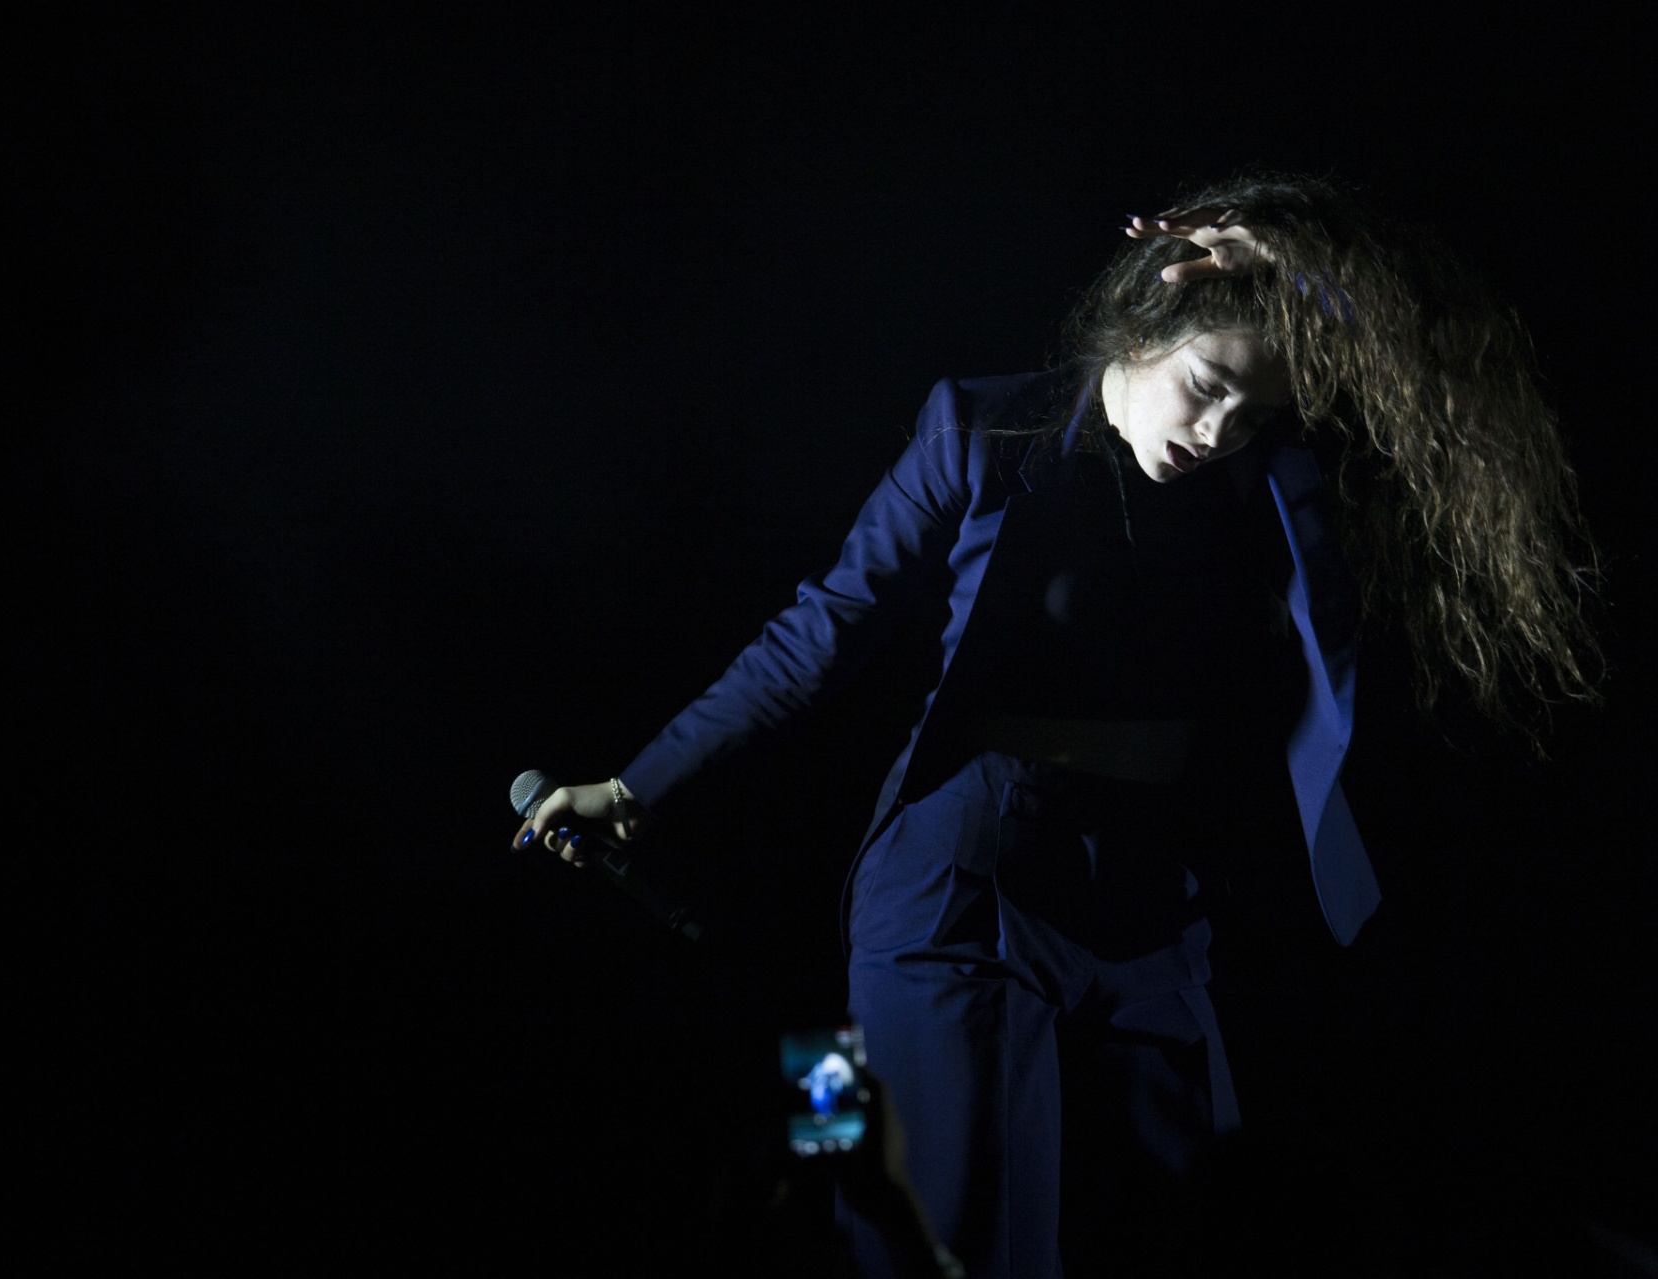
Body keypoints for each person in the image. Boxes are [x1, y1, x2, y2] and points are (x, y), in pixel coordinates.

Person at [513, 174, 1600, 1278]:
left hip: (1150, 901)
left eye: (1252, 412)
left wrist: (1290, 264)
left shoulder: (1260, 483)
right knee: (944, 1237)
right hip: (968, 876)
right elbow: (823, 630)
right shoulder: (981, 429)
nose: (1219, 429)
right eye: (1206, 386)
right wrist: (637, 784)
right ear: (1143, 323)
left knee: (1198, 1224)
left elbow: (1432, 367)